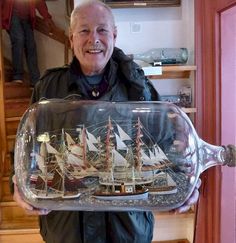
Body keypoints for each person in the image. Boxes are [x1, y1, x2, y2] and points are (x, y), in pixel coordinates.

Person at [12, 1, 201, 242]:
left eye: (102, 30)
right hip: (66, 230)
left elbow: (168, 147)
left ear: (114, 35)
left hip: (127, 231)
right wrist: (17, 184)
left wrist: (186, 182)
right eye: (84, 30)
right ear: (71, 38)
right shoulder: (48, 88)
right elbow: (26, 147)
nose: (94, 39)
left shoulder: (139, 88)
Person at [1, 0, 55, 86]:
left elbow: (39, 2)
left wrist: (47, 17)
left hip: (27, 17)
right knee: (19, 39)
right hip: (12, 15)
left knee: (31, 46)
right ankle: (17, 76)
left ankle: (35, 81)